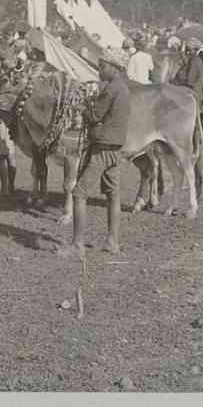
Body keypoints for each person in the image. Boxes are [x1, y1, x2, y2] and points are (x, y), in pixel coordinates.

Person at [57, 50, 130, 259]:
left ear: (113, 67)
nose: (99, 69)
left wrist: (82, 107)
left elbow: (95, 115)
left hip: (102, 147)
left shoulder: (110, 89)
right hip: (116, 149)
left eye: (102, 66)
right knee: (112, 194)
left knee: (79, 193)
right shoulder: (123, 89)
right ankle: (112, 241)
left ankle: (77, 245)